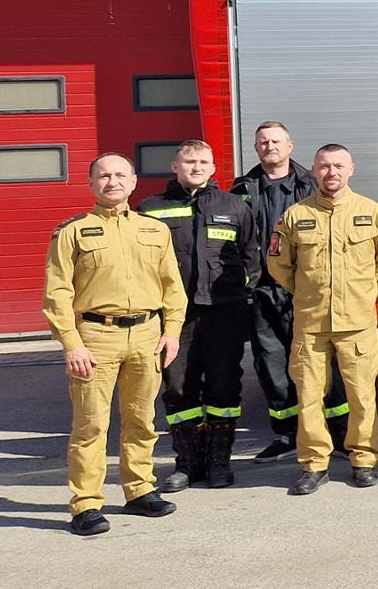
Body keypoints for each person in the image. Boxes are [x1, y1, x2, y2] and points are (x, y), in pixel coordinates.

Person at [45, 153, 187, 536]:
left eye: (120, 175)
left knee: (142, 420)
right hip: (95, 336)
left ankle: (140, 490)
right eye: (103, 176)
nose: (112, 181)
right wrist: (71, 343)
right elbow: (57, 293)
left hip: (147, 335)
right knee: (90, 425)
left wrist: (171, 331)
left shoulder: (154, 230)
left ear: (134, 181)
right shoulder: (73, 231)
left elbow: (173, 287)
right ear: (91, 184)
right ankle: (86, 504)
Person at [266, 144, 378, 494]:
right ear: (314, 170)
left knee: (362, 394)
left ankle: (364, 459)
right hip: (311, 323)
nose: (332, 173)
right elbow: (278, 264)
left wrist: (362, 289)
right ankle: (314, 464)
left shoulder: (371, 212)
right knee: (309, 396)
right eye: (325, 166)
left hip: (356, 322)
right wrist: (306, 290)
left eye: (339, 166)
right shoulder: (295, 215)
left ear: (351, 169)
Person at [138, 140, 256, 491]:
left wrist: (239, 293)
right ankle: (188, 463)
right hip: (176, 317)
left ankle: (220, 462)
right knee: (177, 387)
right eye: (190, 161)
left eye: (204, 161)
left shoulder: (235, 206)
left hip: (224, 313)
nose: (197, 167)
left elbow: (251, 256)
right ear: (174, 166)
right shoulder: (151, 208)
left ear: (214, 167)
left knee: (224, 385)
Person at [231, 121, 347, 461]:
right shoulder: (242, 189)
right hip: (263, 292)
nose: (270, 146)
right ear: (256, 148)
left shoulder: (312, 184)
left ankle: (337, 433)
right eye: (263, 142)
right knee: (272, 365)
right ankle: (287, 434)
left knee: (325, 363)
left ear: (290, 146)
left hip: (308, 292)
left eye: (276, 141)